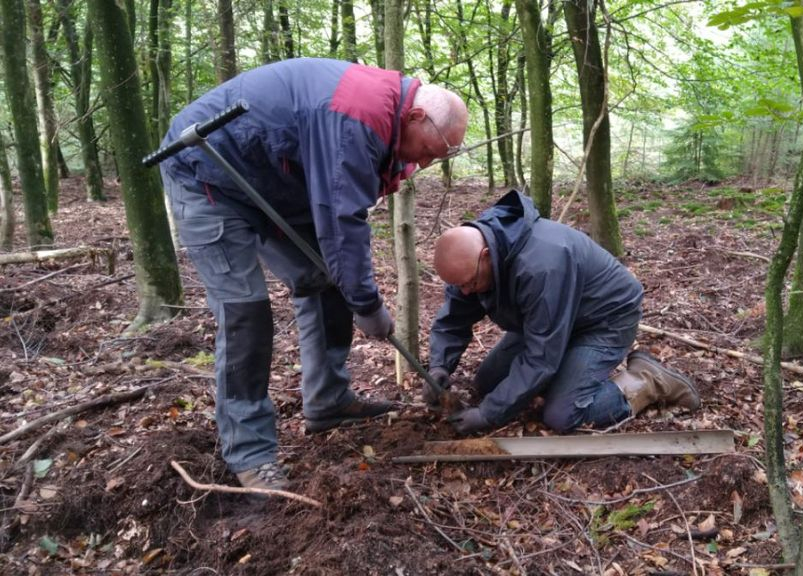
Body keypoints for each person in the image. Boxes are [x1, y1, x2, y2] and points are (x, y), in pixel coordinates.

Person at [159, 58, 468, 490]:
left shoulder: (387, 117)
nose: (426, 163)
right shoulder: (355, 117)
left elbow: (347, 206)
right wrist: (368, 305)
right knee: (245, 313)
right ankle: (250, 452)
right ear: (415, 116)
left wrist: (355, 292)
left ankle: (328, 401)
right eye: (428, 152)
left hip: (272, 181)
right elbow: (341, 221)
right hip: (207, 172)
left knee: (326, 281)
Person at [425, 190, 701, 435]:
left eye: (469, 283)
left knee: (563, 415)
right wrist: (439, 365)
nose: (465, 291)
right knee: (487, 384)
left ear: (486, 255)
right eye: (458, 285)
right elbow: (453, 318)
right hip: (551, 319)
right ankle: (568, 374)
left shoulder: (542, 265)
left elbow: (541, 357)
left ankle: (647, 380)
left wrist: (487, 415)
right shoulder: (472, 264)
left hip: (604, 319)